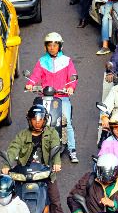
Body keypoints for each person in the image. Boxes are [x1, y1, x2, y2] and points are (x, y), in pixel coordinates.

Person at [1, 104, 63, 213]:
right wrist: (6, 164)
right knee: (9, 200)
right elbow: (14, 148)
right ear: (29, 120)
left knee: (55, 203)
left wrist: (56, 163)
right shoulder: (22, 135)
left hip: (45, 174)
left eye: (40, 120)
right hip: (24, 174)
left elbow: (55, 146)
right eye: (34, 119)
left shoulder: (52, 133)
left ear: (45, 120)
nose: (37, 123)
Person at [26, 32, 79, 162]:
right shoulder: (42, 61)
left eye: (55, 45)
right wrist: (30, 84)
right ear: (46, 47)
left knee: (67, 122)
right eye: (49, 45)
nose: (52, 48)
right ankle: (31, 148)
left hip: (62, 97)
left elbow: (72, 76)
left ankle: (72, 149)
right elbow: (35, 75)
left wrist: (71, 87)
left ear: (60, 46)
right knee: (36, 120)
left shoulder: (66, 61)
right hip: (45, 97)